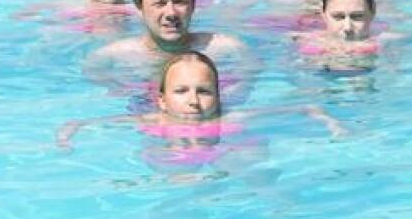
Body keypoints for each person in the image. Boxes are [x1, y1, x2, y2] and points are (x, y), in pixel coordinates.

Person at [58, 51, 342, 163]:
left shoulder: (232, 117)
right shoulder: (154, 120)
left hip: (226, 156)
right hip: (176, 160)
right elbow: (84, 123)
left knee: (247, 159)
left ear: (218, 97)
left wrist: (331, 122)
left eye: (203, 92)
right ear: (161, 100)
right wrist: (67, 137)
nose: (193, 101)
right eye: (181, 91)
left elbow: (302, 109)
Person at [89, 0, 248, 68]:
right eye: (160, 3)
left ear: (193, 3)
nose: (171, 13)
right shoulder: (113, 57)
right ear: (139, 6)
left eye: (179, 1)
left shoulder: (226, 50)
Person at [291, 0, 402, 59]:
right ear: (323, 13)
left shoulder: (387, 43)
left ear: (373, 11)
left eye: (357, 17)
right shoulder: (309, 46)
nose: (348, 27)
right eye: (338, 17)